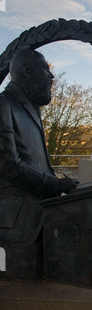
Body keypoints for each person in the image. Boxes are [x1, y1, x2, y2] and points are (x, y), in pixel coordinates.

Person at [0, 49, 79, 245]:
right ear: (27, 71)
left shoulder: (30, 107)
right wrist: (57, 185)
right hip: (18, 222)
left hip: (41, 211)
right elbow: (10, 165)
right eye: (45, 69)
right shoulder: (4, 104)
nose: (51, 76)